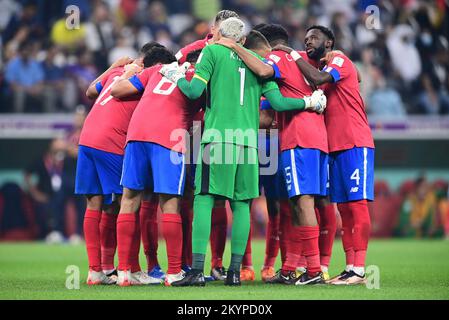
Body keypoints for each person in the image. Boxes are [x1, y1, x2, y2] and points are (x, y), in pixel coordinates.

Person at [160, 17, 326, 286]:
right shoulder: (258, 62)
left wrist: (177, 76)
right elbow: (279, 103)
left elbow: (193, 91)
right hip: (249, 145)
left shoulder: (211, 52)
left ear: (220, 35)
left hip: (217, 139)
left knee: (204, 199)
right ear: (243, 38)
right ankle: (236, 272)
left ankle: (197, 271)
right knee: (241, 206)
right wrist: (308, 101)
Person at [218, 24, 330, 285]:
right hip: (312, 136)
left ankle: (313, 271)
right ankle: (291, 268)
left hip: (298, 136)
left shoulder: (275, 57)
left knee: (301, 202)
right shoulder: (298, 58)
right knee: (295, 204)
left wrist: (233, 45)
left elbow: (266, 75)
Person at [273, 25, 375, 285]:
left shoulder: (337, 61)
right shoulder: (324, 68)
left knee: (357, 204)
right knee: (343, 207)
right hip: (334, 147)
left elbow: (323, 79)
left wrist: (293, 55)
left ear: (329, 42)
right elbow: (355, 77)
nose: (308, 42)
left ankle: (360, 269)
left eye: (314, 38)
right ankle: (351, 266)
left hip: (355, 141)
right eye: (305, 38)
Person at [110, 47, 202, 286]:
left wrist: (125, 71)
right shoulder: (200, 76)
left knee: (129, 199)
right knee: (170, 202)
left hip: (137, 133)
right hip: (169, 137)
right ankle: (173, 272)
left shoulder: (156, 70)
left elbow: (117, 90)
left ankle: (123, 272)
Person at [175, 9, 240, 282]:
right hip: (194, 128)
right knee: (187, 197)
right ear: (213, 27)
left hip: (214, 128)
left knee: (217, 200)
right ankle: (187, 262)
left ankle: (216, 263)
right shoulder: (198, 49)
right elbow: (175, 63)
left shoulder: (235, 52)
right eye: (223, 26)